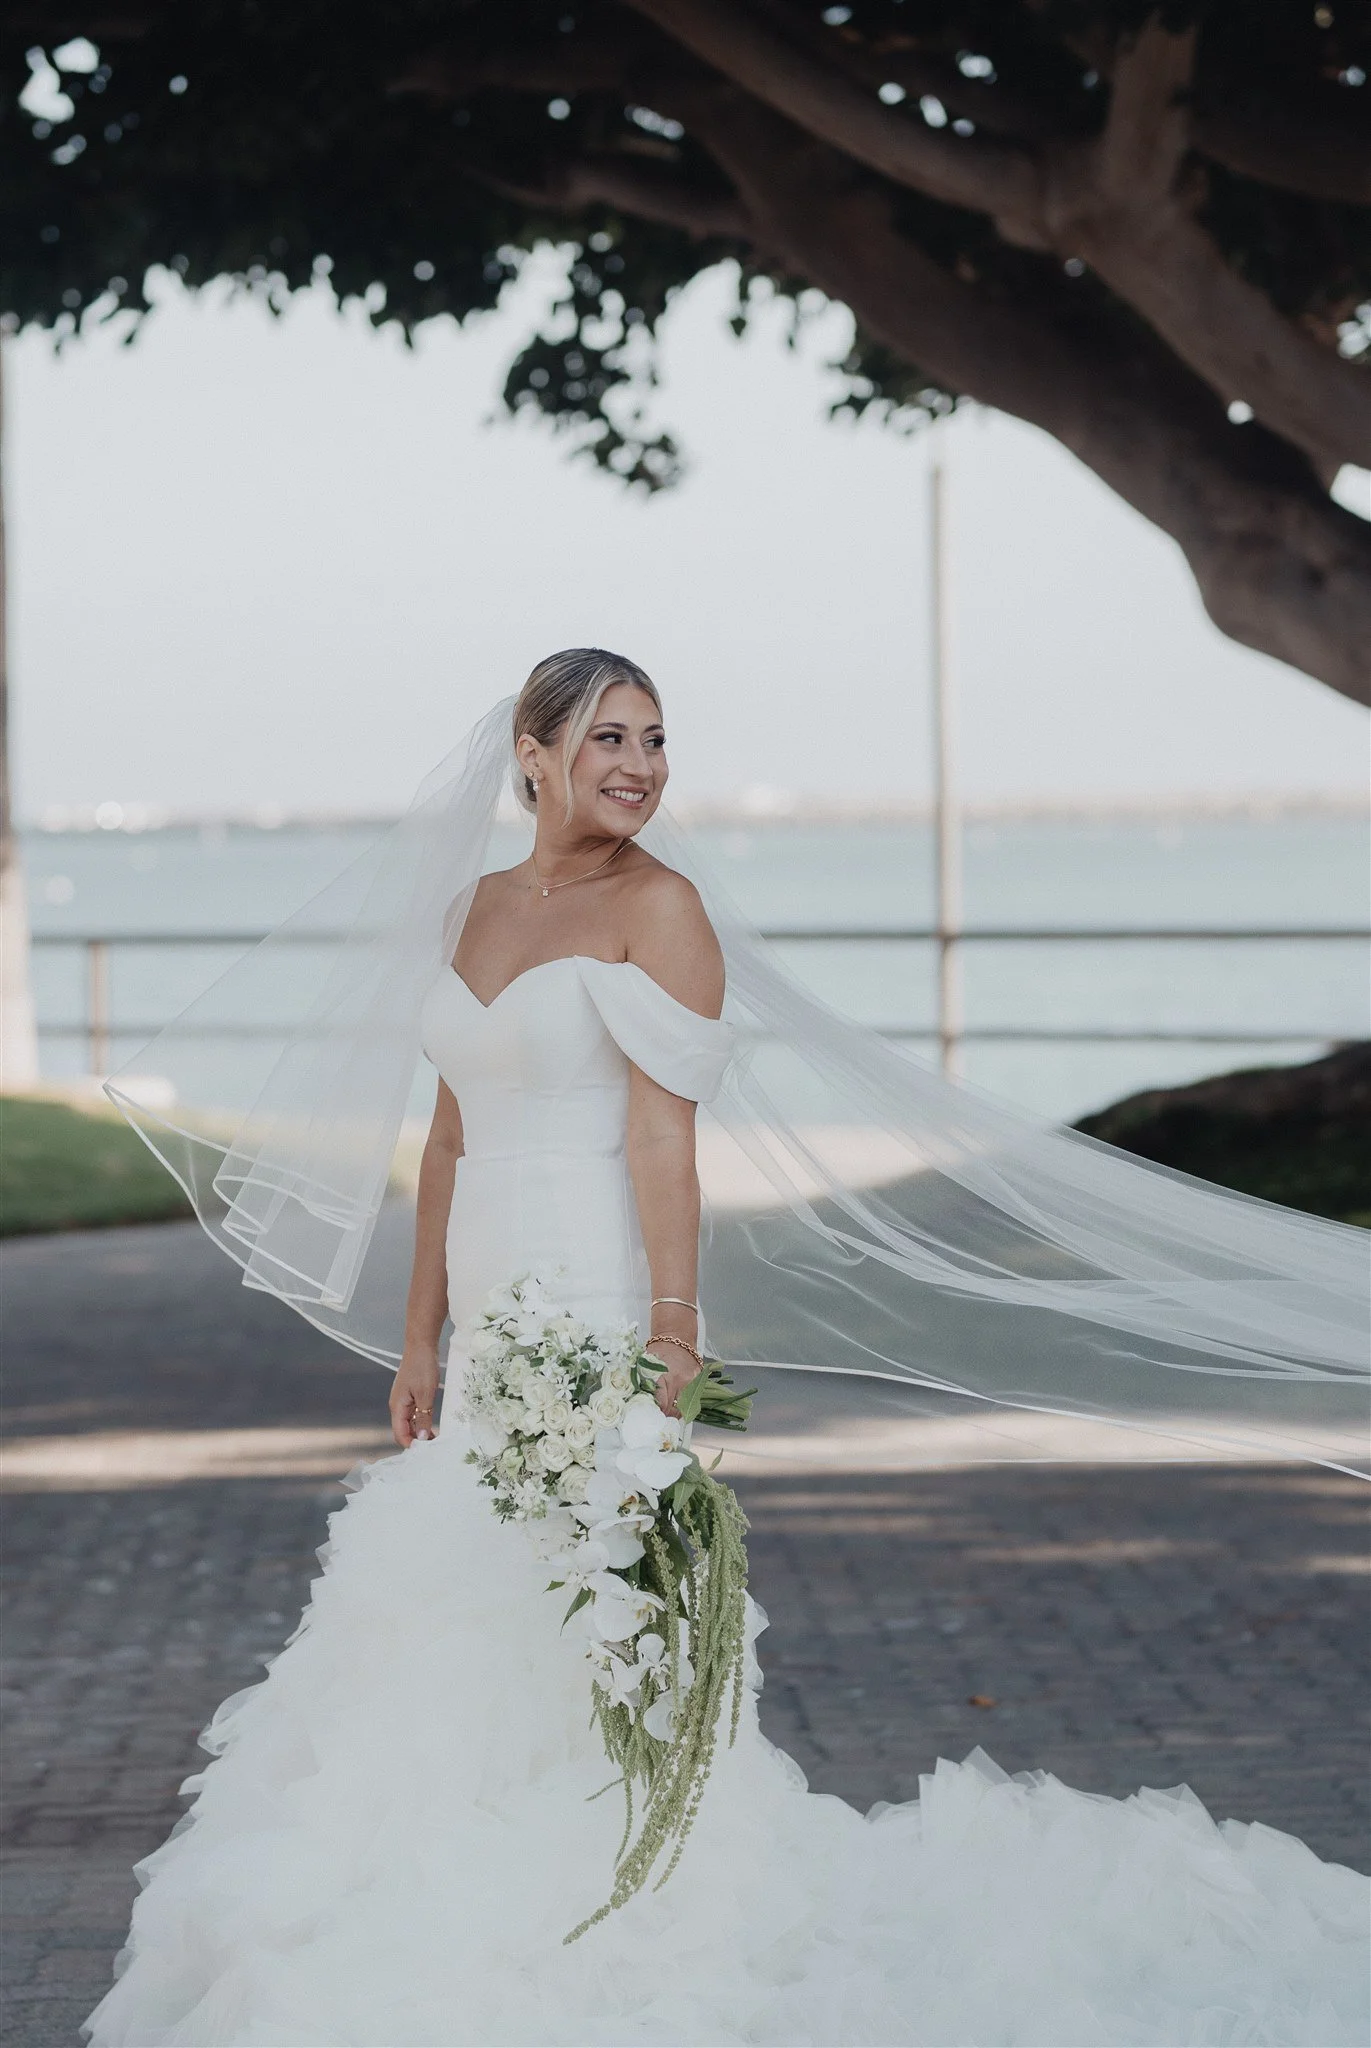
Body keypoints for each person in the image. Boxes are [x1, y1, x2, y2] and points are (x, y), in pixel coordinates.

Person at [86, 652, 1367, 2047]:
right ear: (530, 754)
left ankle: (624, 1890)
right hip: (486, 1307)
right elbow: (449, 1129)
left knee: (594, 1587)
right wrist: (416, 1338)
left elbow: (659, 1137)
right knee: (460, 1577)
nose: (638, 766)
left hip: (588, 1286)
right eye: (606, 738)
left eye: (654, 739)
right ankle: (451, 1871)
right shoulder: (467, 910)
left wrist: (673, 1330)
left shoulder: (662, 909)